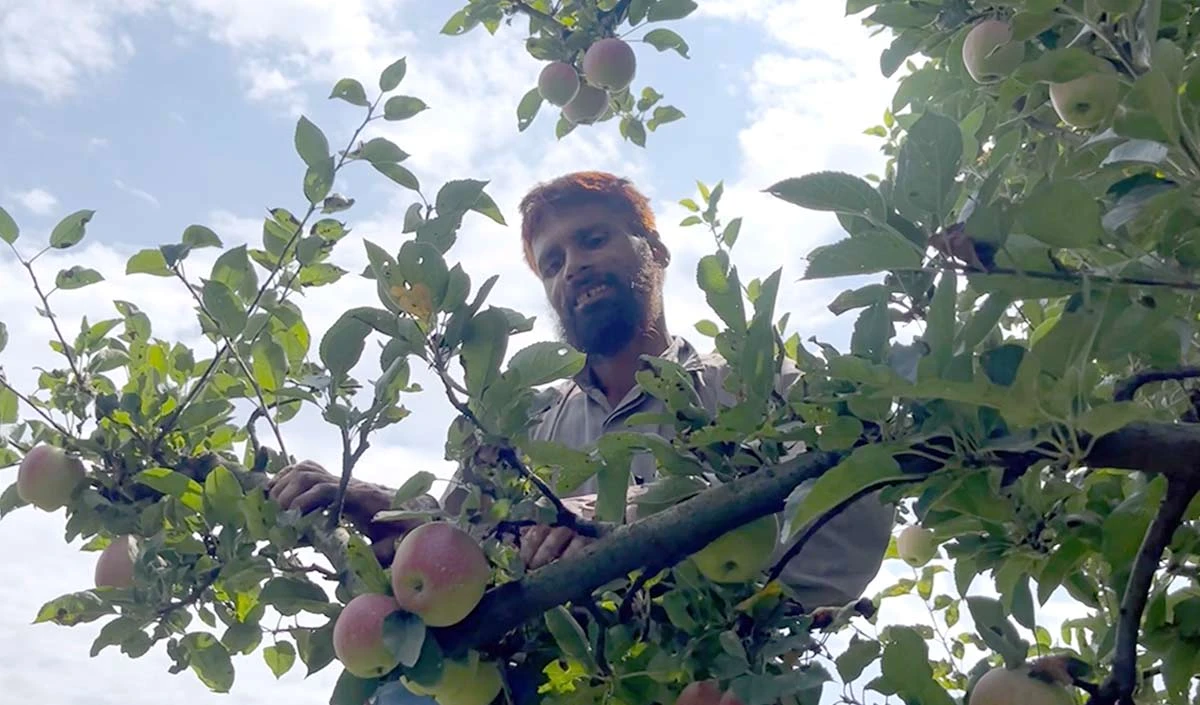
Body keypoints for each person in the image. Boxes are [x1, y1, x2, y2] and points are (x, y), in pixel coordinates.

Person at [266, 171, 895, 699]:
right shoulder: (521, 424)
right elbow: (458, 547)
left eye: (593, 240)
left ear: (655, 250)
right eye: (553, 262)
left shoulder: (756, 391)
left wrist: (636, 535)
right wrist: (392, 516)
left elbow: (845, 524)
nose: (574, 267)